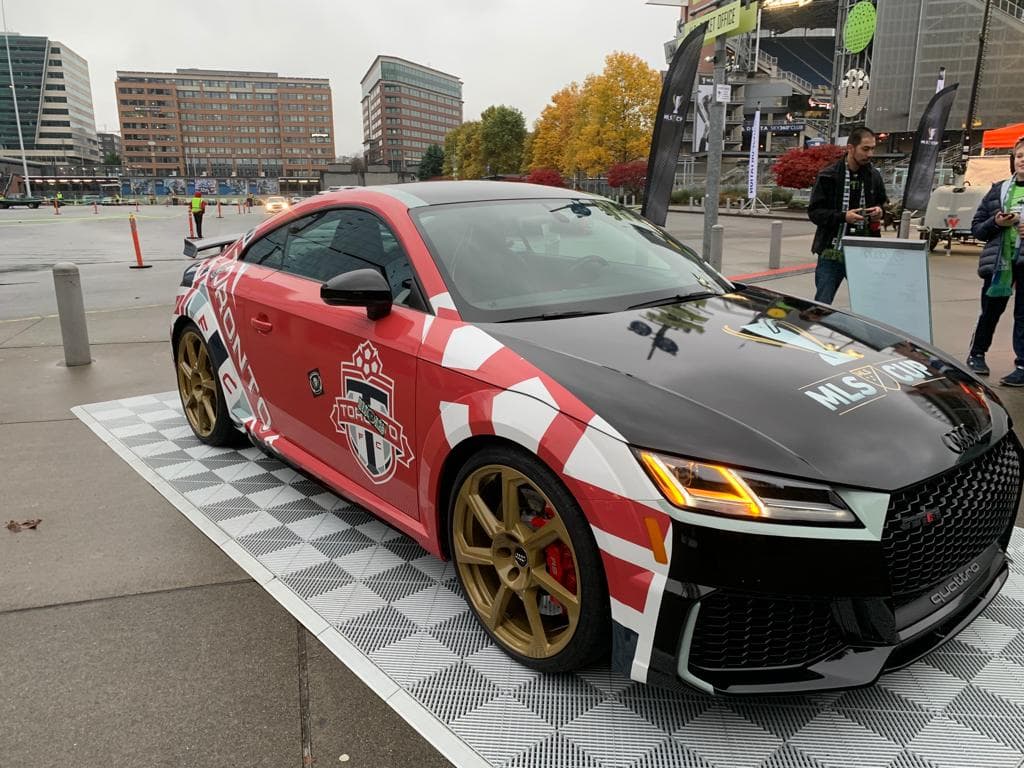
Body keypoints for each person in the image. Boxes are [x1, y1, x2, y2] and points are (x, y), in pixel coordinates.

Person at [965, 136, 1024, 385]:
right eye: (1020, 156)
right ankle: (977, 353)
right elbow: (977, 228)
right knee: (990, 311)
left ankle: (1022, 364)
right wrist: (997, 222)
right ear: (1014, 159)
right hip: (999, 263)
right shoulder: (998, 189)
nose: (1023, 161)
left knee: (1023, 315)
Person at [807, 126, 888, 303]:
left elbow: (884, 204)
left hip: (864, 252)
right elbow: (814, 212)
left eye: (873, 148)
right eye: (865, 149)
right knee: (822, 303)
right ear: (850, 148)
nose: (870, 154)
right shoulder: (829, 176)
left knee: (870, 302)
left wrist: (880, 212)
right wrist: (843, 217)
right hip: (831, 251)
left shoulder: (874, 176)